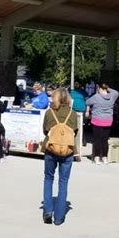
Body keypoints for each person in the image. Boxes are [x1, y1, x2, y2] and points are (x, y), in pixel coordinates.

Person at [41, 88, 78, 225]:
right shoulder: (72, 114)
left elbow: (45, 131)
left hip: (51, 149)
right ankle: (59, 217)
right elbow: (75, 131)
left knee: (48, 178)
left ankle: (48, 210)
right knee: (63, 182)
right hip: (67, 151)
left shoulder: (49, 113)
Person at [86, 83, 119, 164]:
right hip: (108, 120)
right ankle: (105, 158)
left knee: (98, 140)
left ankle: (97, 158)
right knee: (105, 140)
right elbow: (117, 92)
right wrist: (108, 88)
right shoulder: (112, 96)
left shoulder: (96, 97)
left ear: (99, 88)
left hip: (97, 120)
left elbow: (87, 102)